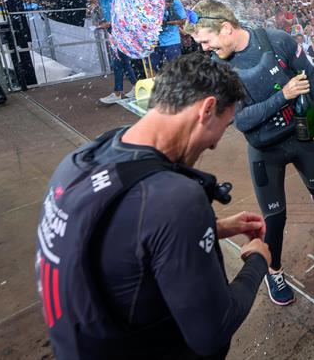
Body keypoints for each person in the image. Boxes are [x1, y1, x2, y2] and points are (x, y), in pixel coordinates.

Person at [36, 53, 271, 359]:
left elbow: (123, 245)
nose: (214, 145)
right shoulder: (175, 200)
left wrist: (216, 228)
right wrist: (256, 263)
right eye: (223, 128)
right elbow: (212, 331)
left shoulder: (83, 159)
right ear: (207, 109)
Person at [189, 0, 314, 307]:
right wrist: (284, 95)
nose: (204, 48)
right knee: (275, 219)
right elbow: (242, 120)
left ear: (226, 28)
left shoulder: (276, 40)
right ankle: (274, 270)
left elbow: (310, 76)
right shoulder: (218, 68)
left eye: (206, 41)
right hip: (264, 150)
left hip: (301, 135)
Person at [151, 0, 186, 71]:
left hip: (172, 40)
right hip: (154, 40)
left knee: (176, 68)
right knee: (152, 68)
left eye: (168, 4)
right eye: (165, 4)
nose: (166, 6)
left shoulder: (176, 3)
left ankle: (177, 83)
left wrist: (167, 22)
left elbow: (183, 20)